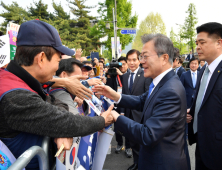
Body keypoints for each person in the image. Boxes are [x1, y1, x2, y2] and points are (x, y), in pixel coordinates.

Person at [0, 20, 114, 170]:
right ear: (41, 58)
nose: (57, 67)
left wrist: (59, 127)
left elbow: (55, 104)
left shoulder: (19, 82)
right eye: (58, 59)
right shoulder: (15, 96)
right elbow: (67, 122)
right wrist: (101, 121)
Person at [93, 33, 188, 170]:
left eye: (145, 56)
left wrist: (116, 117)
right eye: (141, 57)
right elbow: (142, 100)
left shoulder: (170, 90)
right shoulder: (161, 83)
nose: (141, 61)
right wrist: (115, 96)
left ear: (164, 58)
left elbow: (148, 134)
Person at [187, 22, 222, 170]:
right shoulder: (203, 71)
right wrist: (192, 112)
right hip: (201, 144)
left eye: (202, 42)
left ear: (219, 43)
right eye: (197, 43)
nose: (198, 47)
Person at [120, 49, 152, 170]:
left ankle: (142, 165)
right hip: (128, 115)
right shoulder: (125, 76)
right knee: (132, 142)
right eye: (129, 60)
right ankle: (136, 163)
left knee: (141, 143)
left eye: (134, 59)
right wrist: (122, 112)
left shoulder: (145, 75)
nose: (131, 62)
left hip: (141, 115)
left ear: (139, 60)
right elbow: (123, 95)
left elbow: (147, 97)